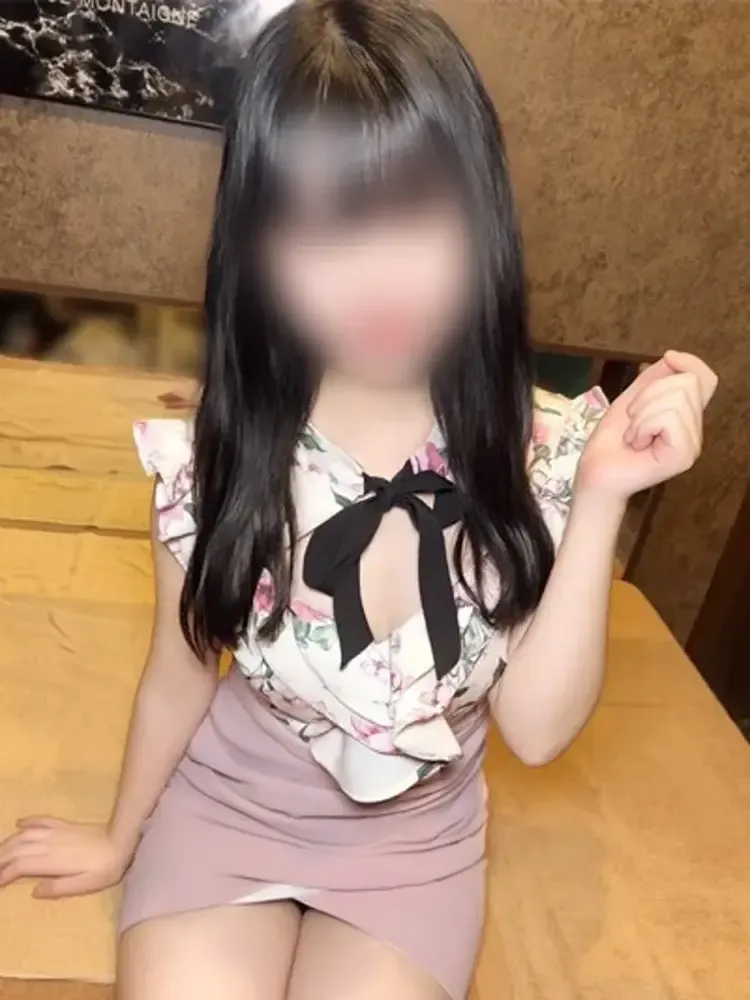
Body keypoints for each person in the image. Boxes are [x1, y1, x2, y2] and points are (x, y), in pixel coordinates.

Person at [0, 1, 717, 998]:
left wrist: (599, 498)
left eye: (416, 215)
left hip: (414, 846)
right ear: (260, 250)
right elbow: (179, 673)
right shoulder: (214, 455)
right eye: (323, 228)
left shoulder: (546, 452)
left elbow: (538, 732)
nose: (378, 280)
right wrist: (119, 837)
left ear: (480, 217)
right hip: (232, 807)